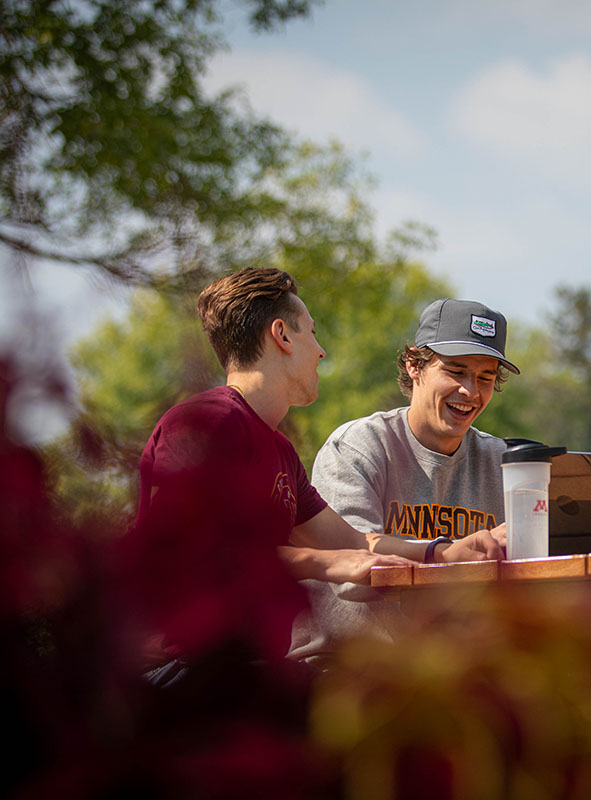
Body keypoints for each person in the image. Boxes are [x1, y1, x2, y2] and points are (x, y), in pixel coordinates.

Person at [126, 269, 504, 674]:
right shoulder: (205, 422)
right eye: (311, 332)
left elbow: (354, 545)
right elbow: (191, 551)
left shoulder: (281, 451)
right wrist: (323, 563)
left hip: (245, 670)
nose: (321, 351)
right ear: (282, 336)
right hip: (188, 672)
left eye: (485, 377)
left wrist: (445, 552)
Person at [288, 298, 516, 665]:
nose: (471, 391)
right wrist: (448, 555)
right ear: (414, 366)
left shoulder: (504, 463)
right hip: (345, 668)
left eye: (485, 378)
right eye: (456, 372)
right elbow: (354, 568)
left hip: (453, 675)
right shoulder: (357, 448)